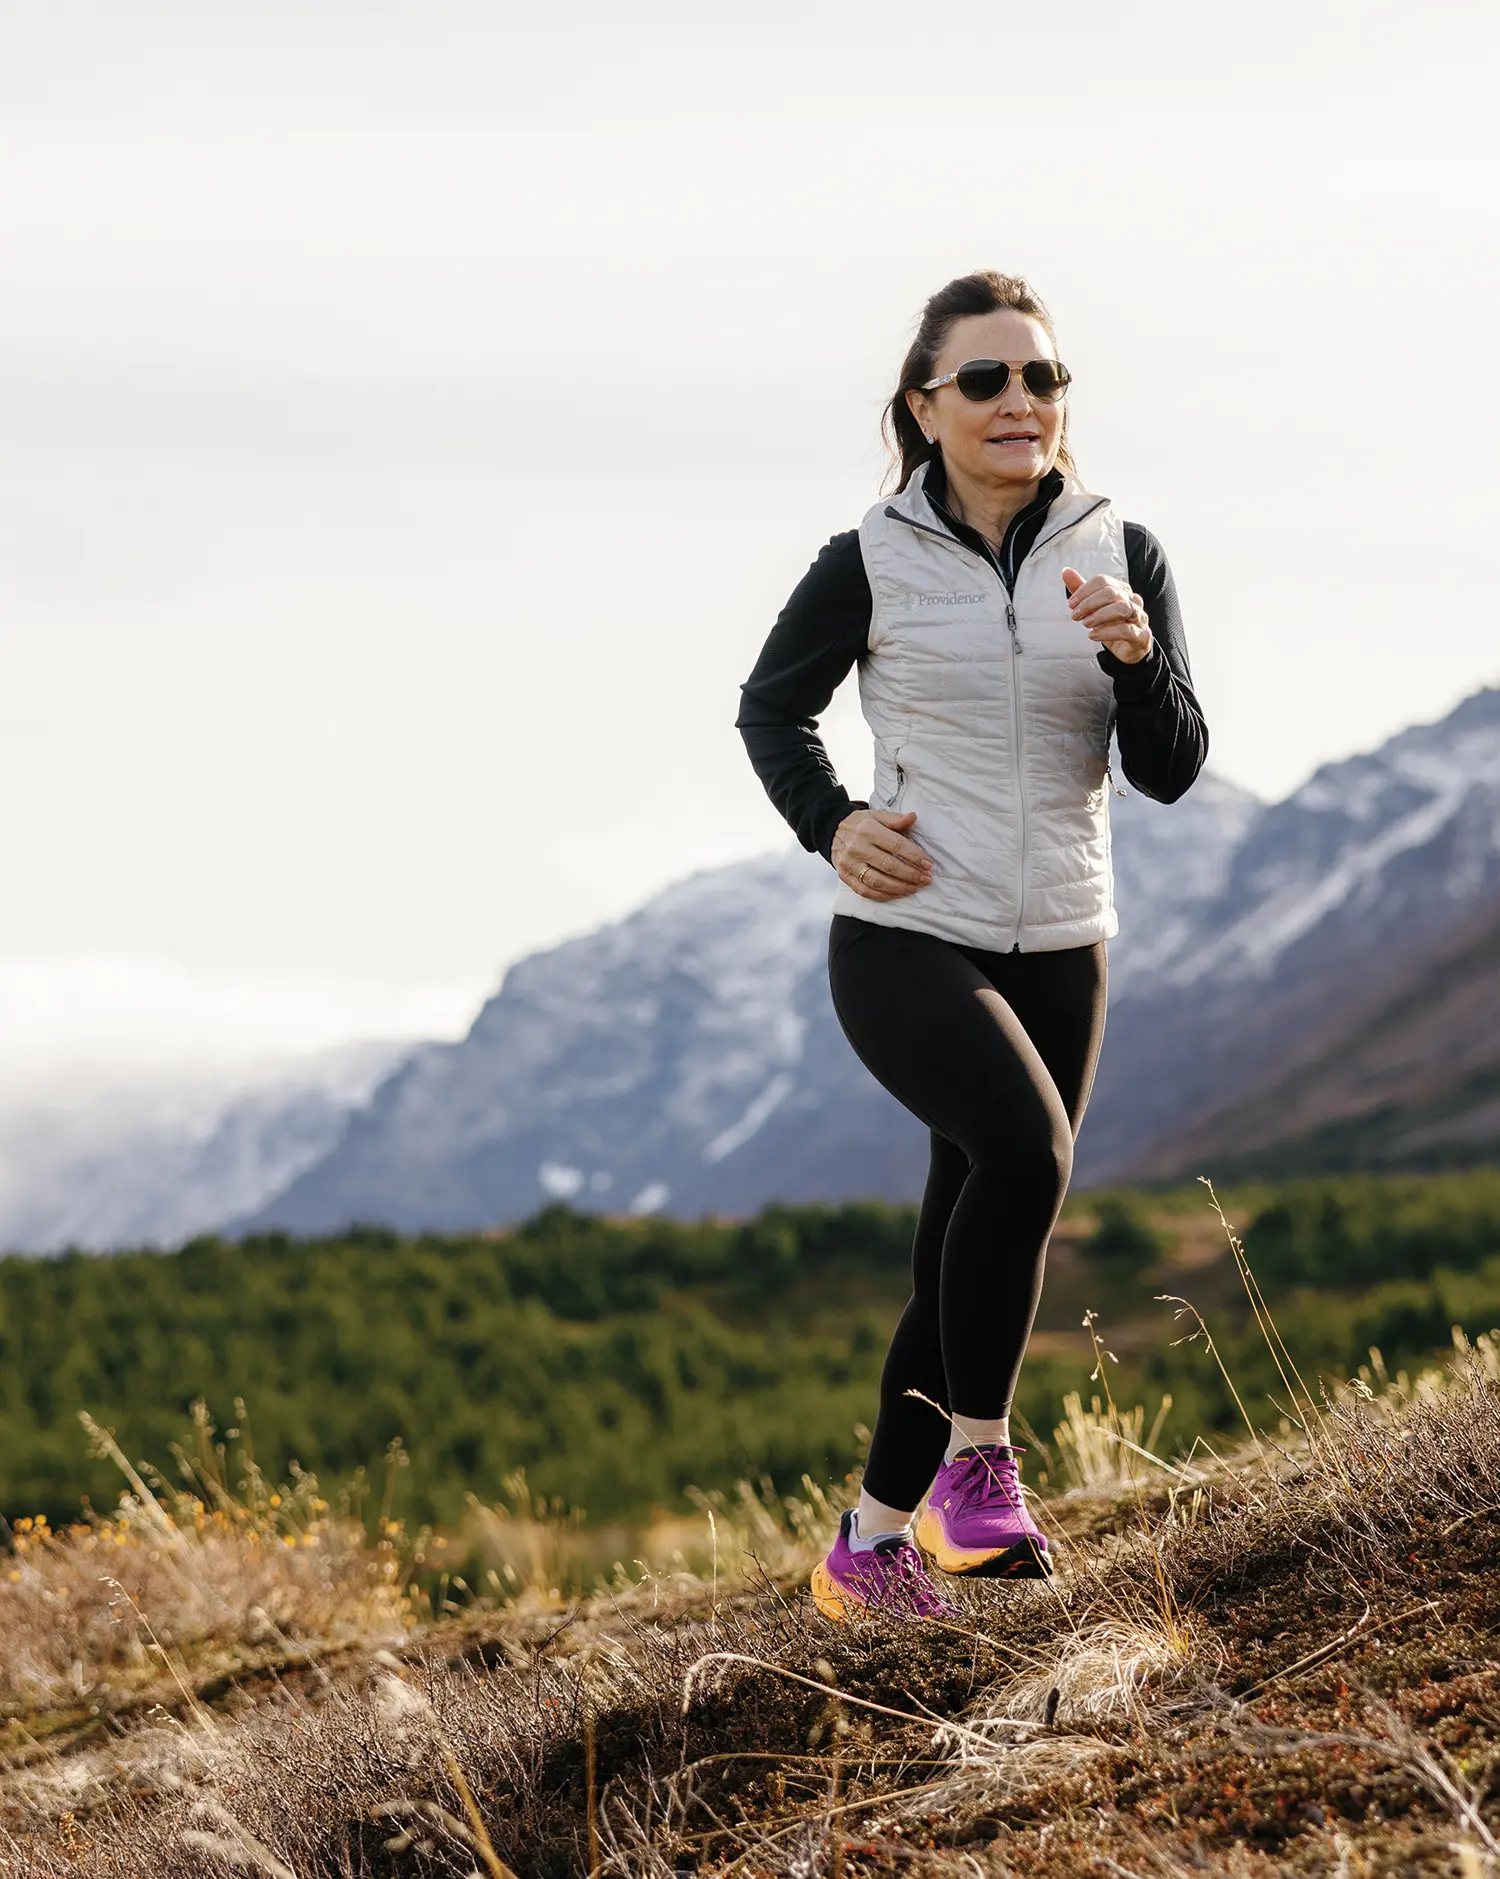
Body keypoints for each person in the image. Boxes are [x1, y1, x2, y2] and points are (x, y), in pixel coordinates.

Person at [735, 272, 1208, 1622]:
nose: (1021, 402)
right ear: (923, 405)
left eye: (1044, 378)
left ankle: (867, 1548)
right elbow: (772, 712)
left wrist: (1135, 664)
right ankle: (979, 1468)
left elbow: (1170, 768)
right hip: (907, 936)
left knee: (970, 1233)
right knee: (1027, 1152)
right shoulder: (869, 559)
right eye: (988, 379)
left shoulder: (1125, 552)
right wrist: (832, 826)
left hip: (1065, 939)